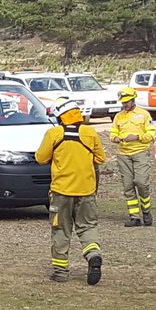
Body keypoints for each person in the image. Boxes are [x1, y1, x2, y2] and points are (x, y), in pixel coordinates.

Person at [36, 98, 105, 284]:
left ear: (60, 117)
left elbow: (41, 158)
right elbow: (100, 158)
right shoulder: (90, 133)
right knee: (88, 227)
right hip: (87, 191)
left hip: (61, 193)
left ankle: (60, 272)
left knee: (61, 231)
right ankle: (93, 255)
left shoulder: (54, 134)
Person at [109, 86, 156, 227]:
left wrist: (137, 137)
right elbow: (112, 133)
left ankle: (146, 211)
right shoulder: (119, 116)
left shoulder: (144, 114)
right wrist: (115, 138)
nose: (125, 104)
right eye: (123, 102)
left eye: (127, 102)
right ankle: (134, 216)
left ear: (133, 99)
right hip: (123, 154)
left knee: (141, 183)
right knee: (128, 186)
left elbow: (151, 134)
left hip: (140, 152)